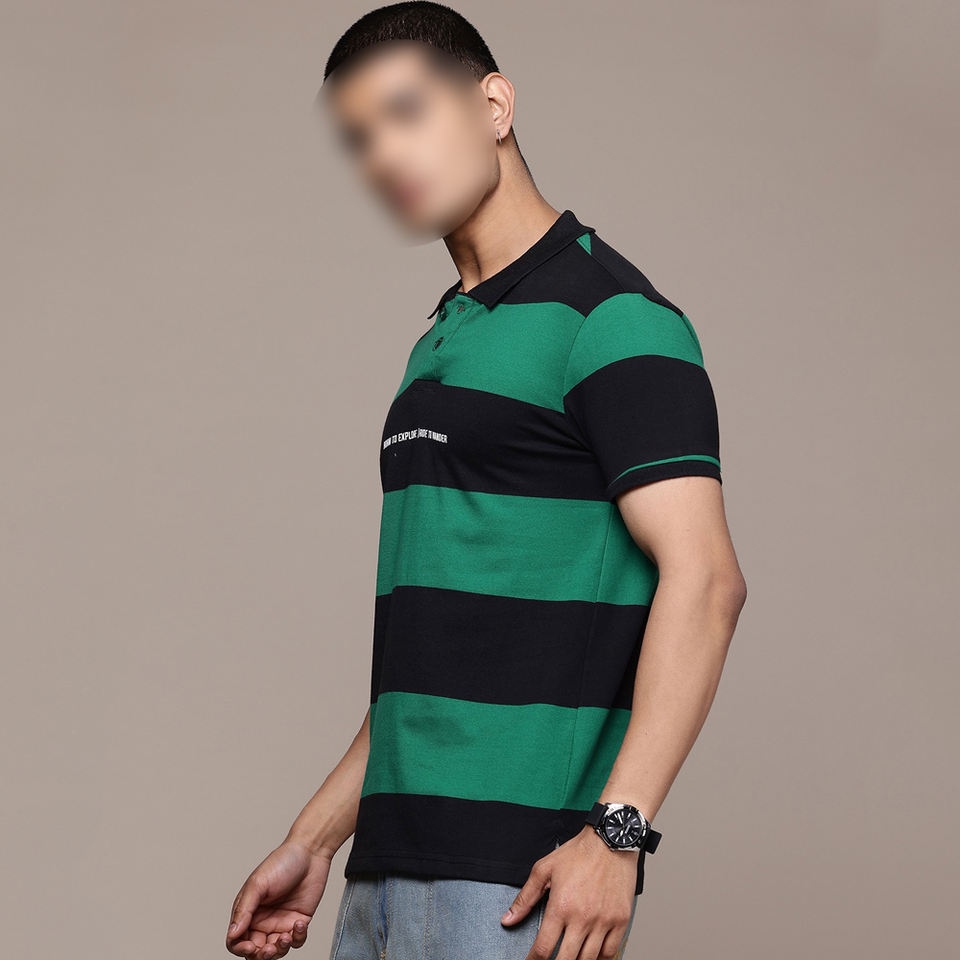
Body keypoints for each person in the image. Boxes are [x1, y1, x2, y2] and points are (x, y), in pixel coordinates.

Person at [225, 4, 747, 959]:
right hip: (384, 873)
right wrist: (315, 839)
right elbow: (442, 663)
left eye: (407, 112)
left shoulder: (613, 319)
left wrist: (618, 834)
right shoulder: (443, 341)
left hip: (515, 881)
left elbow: (707, 580)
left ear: (494, 105)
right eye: (359, 138)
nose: (385, 155)